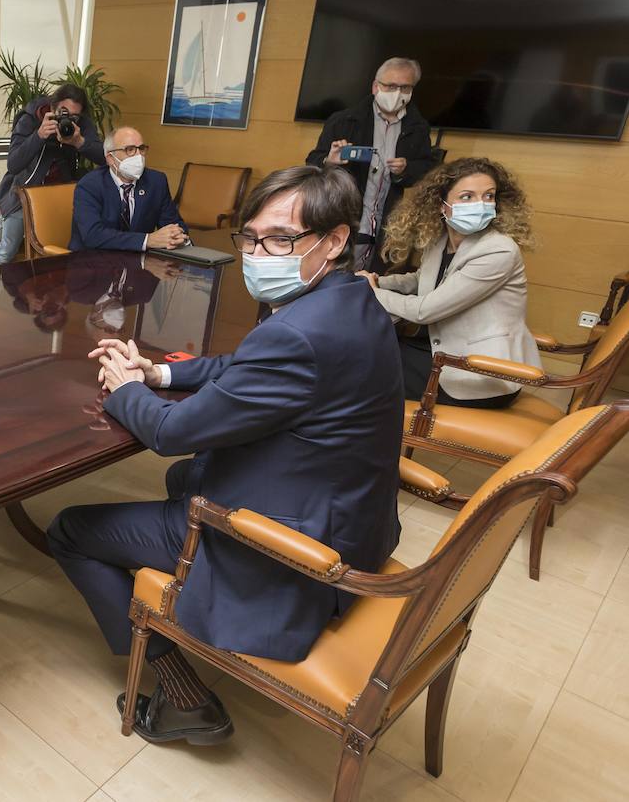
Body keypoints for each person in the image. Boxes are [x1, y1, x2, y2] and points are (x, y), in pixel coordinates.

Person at [47, 164, 402, 746]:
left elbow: (172, 433)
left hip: (286, 547)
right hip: (347, 517)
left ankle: (181, 694)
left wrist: (125, 388)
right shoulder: (350, 302)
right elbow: (249, 367)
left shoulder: (299, 333)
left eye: (281, 239)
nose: (260, 253)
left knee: (69, 528)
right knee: (187, 479)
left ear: (334, 240)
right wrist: (159, 371)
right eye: (252, 237)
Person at [358, 157, 539, 408]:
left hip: (478, 372)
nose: (481, 204)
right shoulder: (441, 240)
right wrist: (380, 281)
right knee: (362, 351)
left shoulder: (499, 251)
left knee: (359, 368)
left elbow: (425, 310)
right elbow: (421, 280)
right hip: (442, 350)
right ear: (441, 205)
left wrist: (372, 292)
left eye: (488, 196)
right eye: (467, 197)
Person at [305, 57, 438, 272]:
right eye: (391, 86)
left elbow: (426, 169)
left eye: (405, 87)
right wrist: (329, 161)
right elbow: (312, 163)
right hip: (345, 216)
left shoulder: (418, 128)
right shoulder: (344, 120)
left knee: (369, 282)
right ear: (376, 87)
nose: (397, 93)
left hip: (387, 222)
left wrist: (407, 169)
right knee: (333, 277)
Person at [0, 83, 105, 267]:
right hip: (24, 194)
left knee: (63, 251)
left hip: (61, 196)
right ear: (52, 106)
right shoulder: (30, 118)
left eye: (73, 115)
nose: (67, 118)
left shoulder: (80, 125)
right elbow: (14, 164)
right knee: (6, 252)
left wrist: (80, 142)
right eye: (63, 112)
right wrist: (39, 136)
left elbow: (105, 157)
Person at [69, 127, 190, 253]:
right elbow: (93, 235)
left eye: (141, 149)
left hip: (138, 263)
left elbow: (174, 224)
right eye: (130, 150)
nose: (139, 156)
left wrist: (176, 236)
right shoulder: (89, 185)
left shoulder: (156, 181)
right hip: (91, 262)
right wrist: (147, 240)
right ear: (110, 158)